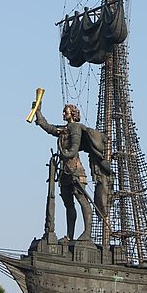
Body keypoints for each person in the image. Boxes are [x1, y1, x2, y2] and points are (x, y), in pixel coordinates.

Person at [34, 103, 110, 241]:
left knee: (82, 200)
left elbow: (75, 147)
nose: (63, 114)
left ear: (73, 114)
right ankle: (70, 236)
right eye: (64, 112)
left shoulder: (75, 128)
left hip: (75, 170)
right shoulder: (64, 129)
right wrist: (38, 112)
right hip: (64, 171)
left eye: (66, 112)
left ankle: (87, 233)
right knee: (68, 204)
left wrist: (66, 153)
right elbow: (49, 128)